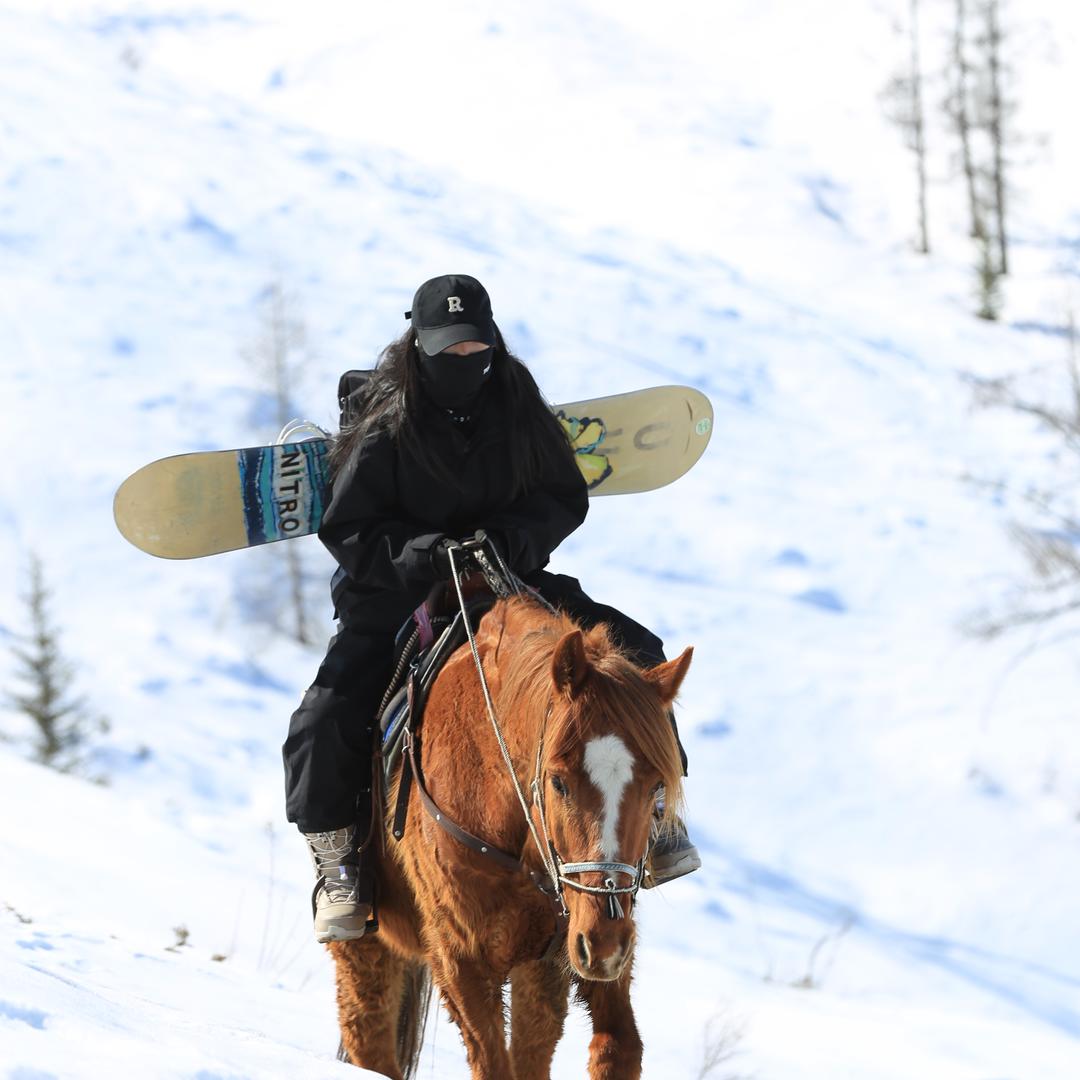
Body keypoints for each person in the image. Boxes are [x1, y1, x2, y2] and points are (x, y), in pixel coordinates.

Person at [283, 274, 700, 943]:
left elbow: (563, 495)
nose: (465, 361)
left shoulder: (516, 400)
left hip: (507, 578)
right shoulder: (385, 421)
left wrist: (509, 539)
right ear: (418, 342)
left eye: (475, 346)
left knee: (638, 654)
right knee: (324, 717)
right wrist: (425, 554)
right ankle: (340, 866)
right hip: (398, 592)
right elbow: (349, 528)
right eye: (448, 350)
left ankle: (657, 817)